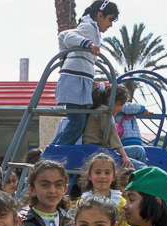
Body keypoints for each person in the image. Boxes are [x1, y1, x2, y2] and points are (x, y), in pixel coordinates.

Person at [51, 1, 119, 146]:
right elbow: (68, 38)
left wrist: (65, 58)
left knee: (78, 124)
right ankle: (51, 155)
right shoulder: (89, 27)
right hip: (75, 80)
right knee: (76, 124)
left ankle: (51, 152)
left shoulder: (91, 29)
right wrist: (87, 44)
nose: (110, 25)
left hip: (79, 80)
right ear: (100, 15)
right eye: (109, 20)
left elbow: (63, 35)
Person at [82, 83, 146, 170]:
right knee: (142, 167)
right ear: (110, 100)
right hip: (97, 151)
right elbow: (113, 135)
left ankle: (133, 176)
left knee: (139, 151)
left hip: (105, 150)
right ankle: (136, 174)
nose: (121, 109)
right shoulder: (104, 112)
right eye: (120, 105)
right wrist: (125, 157)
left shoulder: (105, 112)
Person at [79, 152, 128, 226]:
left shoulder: (122, 203)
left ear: (113, 176)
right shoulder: (82, 202)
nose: (102, 176)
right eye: (97, 172)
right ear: (89, 175)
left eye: (107, 173)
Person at [114, 85, 152, 167]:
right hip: (125, 142)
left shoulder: (121, 111)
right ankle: (143, 170)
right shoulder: (119, 109)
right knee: (140, 154)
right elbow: (128, 107)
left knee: (146, 150)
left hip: (135, 141)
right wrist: (142, 109)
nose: (121, 108)